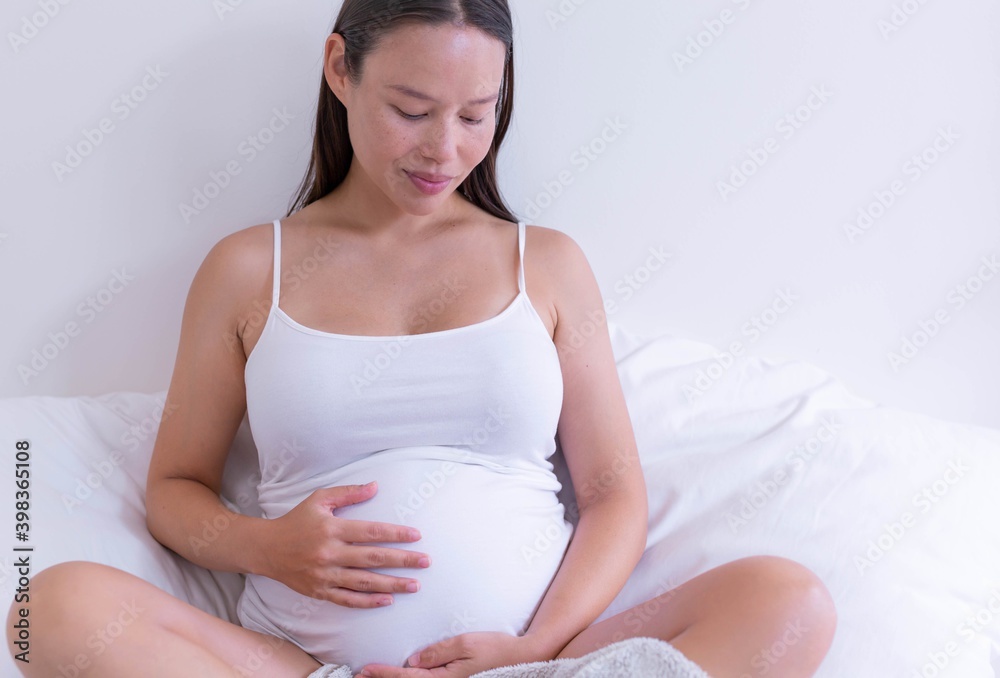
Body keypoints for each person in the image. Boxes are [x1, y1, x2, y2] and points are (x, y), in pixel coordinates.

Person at [8, 1, 837, 676]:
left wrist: (534, 648)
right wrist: (265, 545)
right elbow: (175, 489)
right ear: (340, 68)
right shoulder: (244, 270)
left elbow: (615, 493)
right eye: (412, 110)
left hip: (532, 668)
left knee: (786, 601)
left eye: (477, 115)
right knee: (48, 612)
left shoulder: (546, 264)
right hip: (306, 667)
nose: (446, 149)